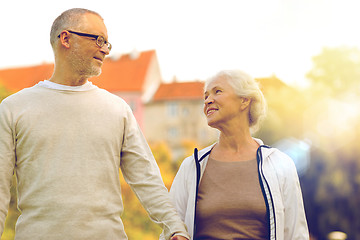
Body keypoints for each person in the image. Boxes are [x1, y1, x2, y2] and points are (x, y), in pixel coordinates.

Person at [0, 8, 189, 240]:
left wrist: (175, 228)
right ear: (66, 38)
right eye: (98, 40)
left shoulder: (118, 109)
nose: (105, 50)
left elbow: (146, 178)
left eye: (107, 43)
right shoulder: (13, 108)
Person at [161, 70, 309, 240]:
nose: (208, 100)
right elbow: (171, 226)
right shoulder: (192, 166)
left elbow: (296, 234)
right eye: (206, 96)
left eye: (217, 91)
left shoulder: (279, 164)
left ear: (244, 100)